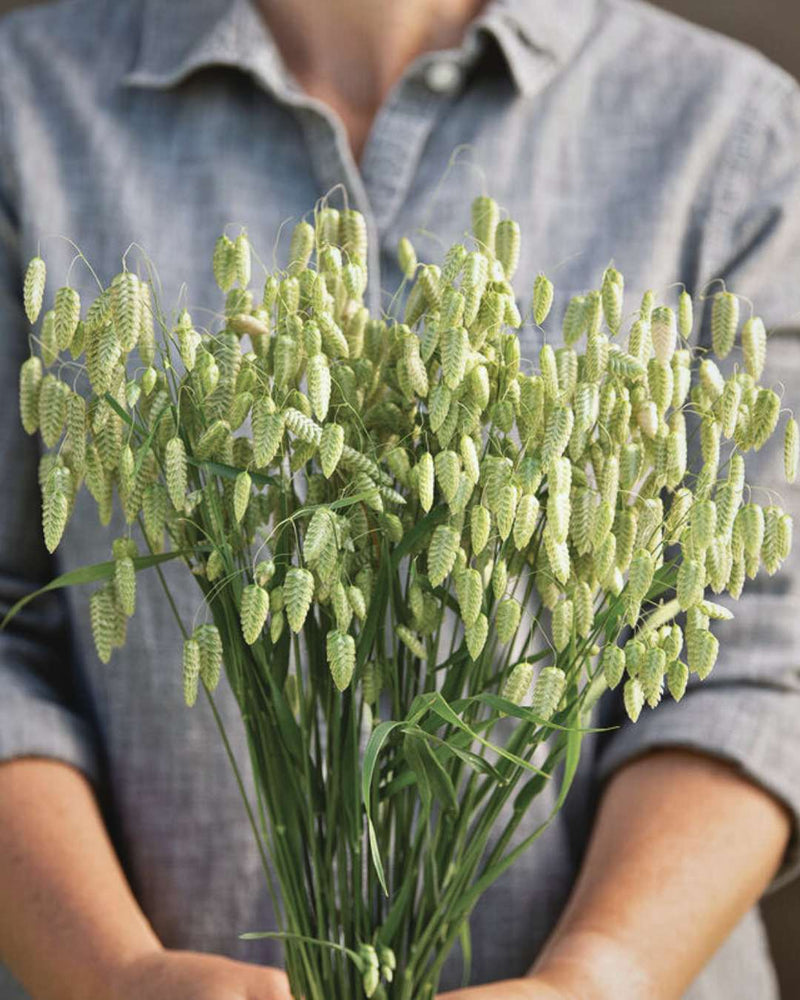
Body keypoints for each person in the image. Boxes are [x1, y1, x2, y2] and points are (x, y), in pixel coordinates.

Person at [1, 1, 799, 998]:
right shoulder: (22, 108)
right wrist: (117, 977)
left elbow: (759, 656)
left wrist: (594, 982)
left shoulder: (734, 132)